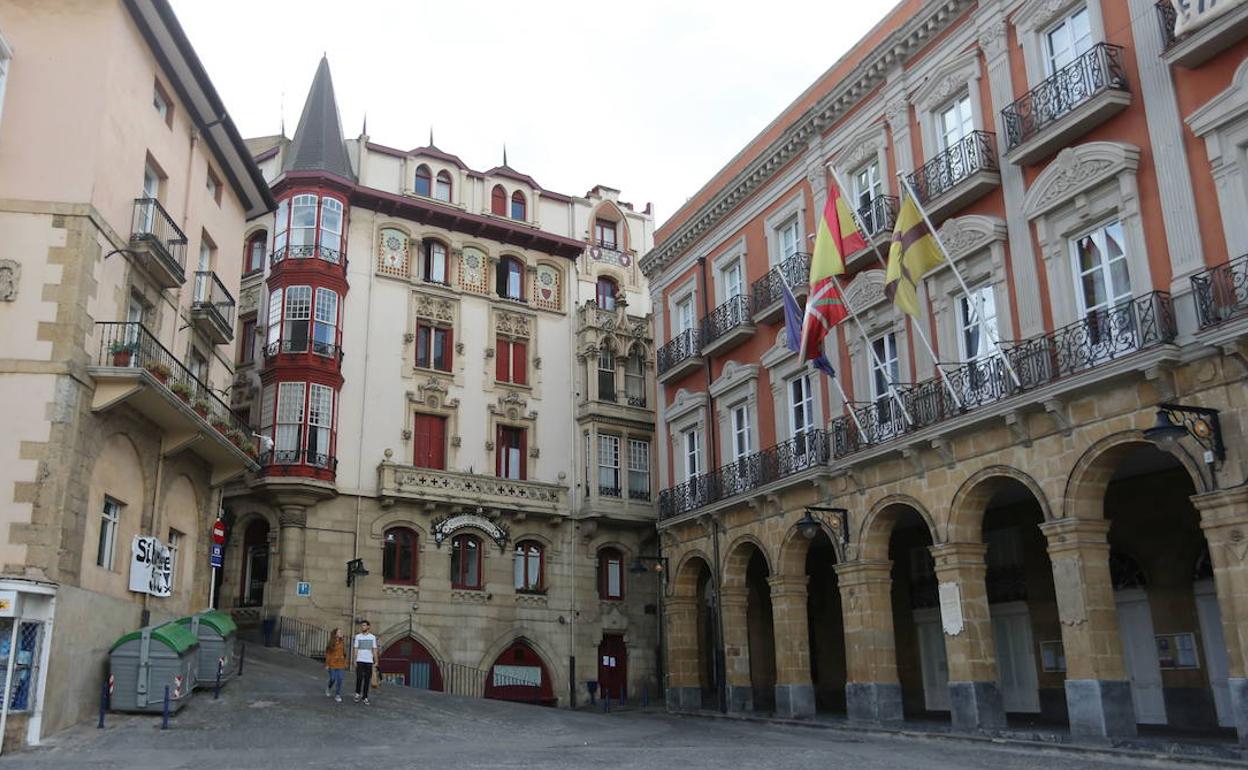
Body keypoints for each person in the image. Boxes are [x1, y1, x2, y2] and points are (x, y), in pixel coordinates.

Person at [352, 619, 378, 704]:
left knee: (367, 679)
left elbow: (374, 649)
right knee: (359, 677)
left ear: (368, 627)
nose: (362, 627)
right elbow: (355, 649)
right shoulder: (358, 637)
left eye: (364, 625)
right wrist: (354, 660)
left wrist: (376, 660)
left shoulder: (372, 637)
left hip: (369, 661)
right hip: (360, 660)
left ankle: (365, 696)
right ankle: (357, 693)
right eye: (362, 625)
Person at [324, 628, 347, 702]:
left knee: (340, 679)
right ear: (335, 633)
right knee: (333, 678)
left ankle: (337, 694)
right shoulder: (331, 642)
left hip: (340, 664)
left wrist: (345, 662)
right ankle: (329, 687)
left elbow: (344, 653)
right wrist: (327, 664)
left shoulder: (342, 642)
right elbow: (328, 654)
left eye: (341, 632)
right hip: (332, 663)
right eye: (339, 632)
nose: (341, 633)